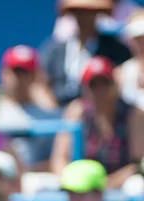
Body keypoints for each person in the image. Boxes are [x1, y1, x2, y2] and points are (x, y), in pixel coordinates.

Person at [51, 55, 144, 189]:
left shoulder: (134, 114)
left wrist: (104, 185)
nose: (100, 90)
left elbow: (137, 164)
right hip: (81, 186)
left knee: (137, 185)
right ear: (85, 88)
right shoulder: (77, 112)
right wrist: (74, 183)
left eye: (105, 83)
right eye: (94, 84)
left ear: (114, 84)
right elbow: (59, 159)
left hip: (120, 183)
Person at [40, 0, 132, 107]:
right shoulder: (55, 49)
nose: (84, 17)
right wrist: (54, 110)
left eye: (89, 12)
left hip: (101, 111)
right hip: (60, 113)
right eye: (78, 12)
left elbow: (120, 82)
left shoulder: (115, 49)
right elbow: (41, 83)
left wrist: (87, 108)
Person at [0, 45, 60, 171]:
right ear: (4, 73)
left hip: (37, 183)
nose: (19, 78)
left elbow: (58, 157)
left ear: (35, 75)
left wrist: (26, 172)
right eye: (15, 71)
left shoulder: (49, 117)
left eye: (25, 72)